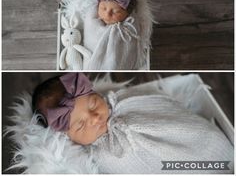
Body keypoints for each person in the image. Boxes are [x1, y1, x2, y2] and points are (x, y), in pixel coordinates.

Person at [31, 72, 234, 174]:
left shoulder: (122, 100)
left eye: (93, 104)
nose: (94, 118)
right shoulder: (97, 157)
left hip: (194, 137)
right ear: (67, 137)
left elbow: (163, 107)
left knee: (203, 138)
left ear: (95, 92)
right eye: (80, 125)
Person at [82, 0, 139, 70]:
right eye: (103, 8)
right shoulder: (92, 18)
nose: (107, 14)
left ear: (128, 12)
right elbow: (89, 36)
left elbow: (127, 52)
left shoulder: (129, 28)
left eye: (115, 11)